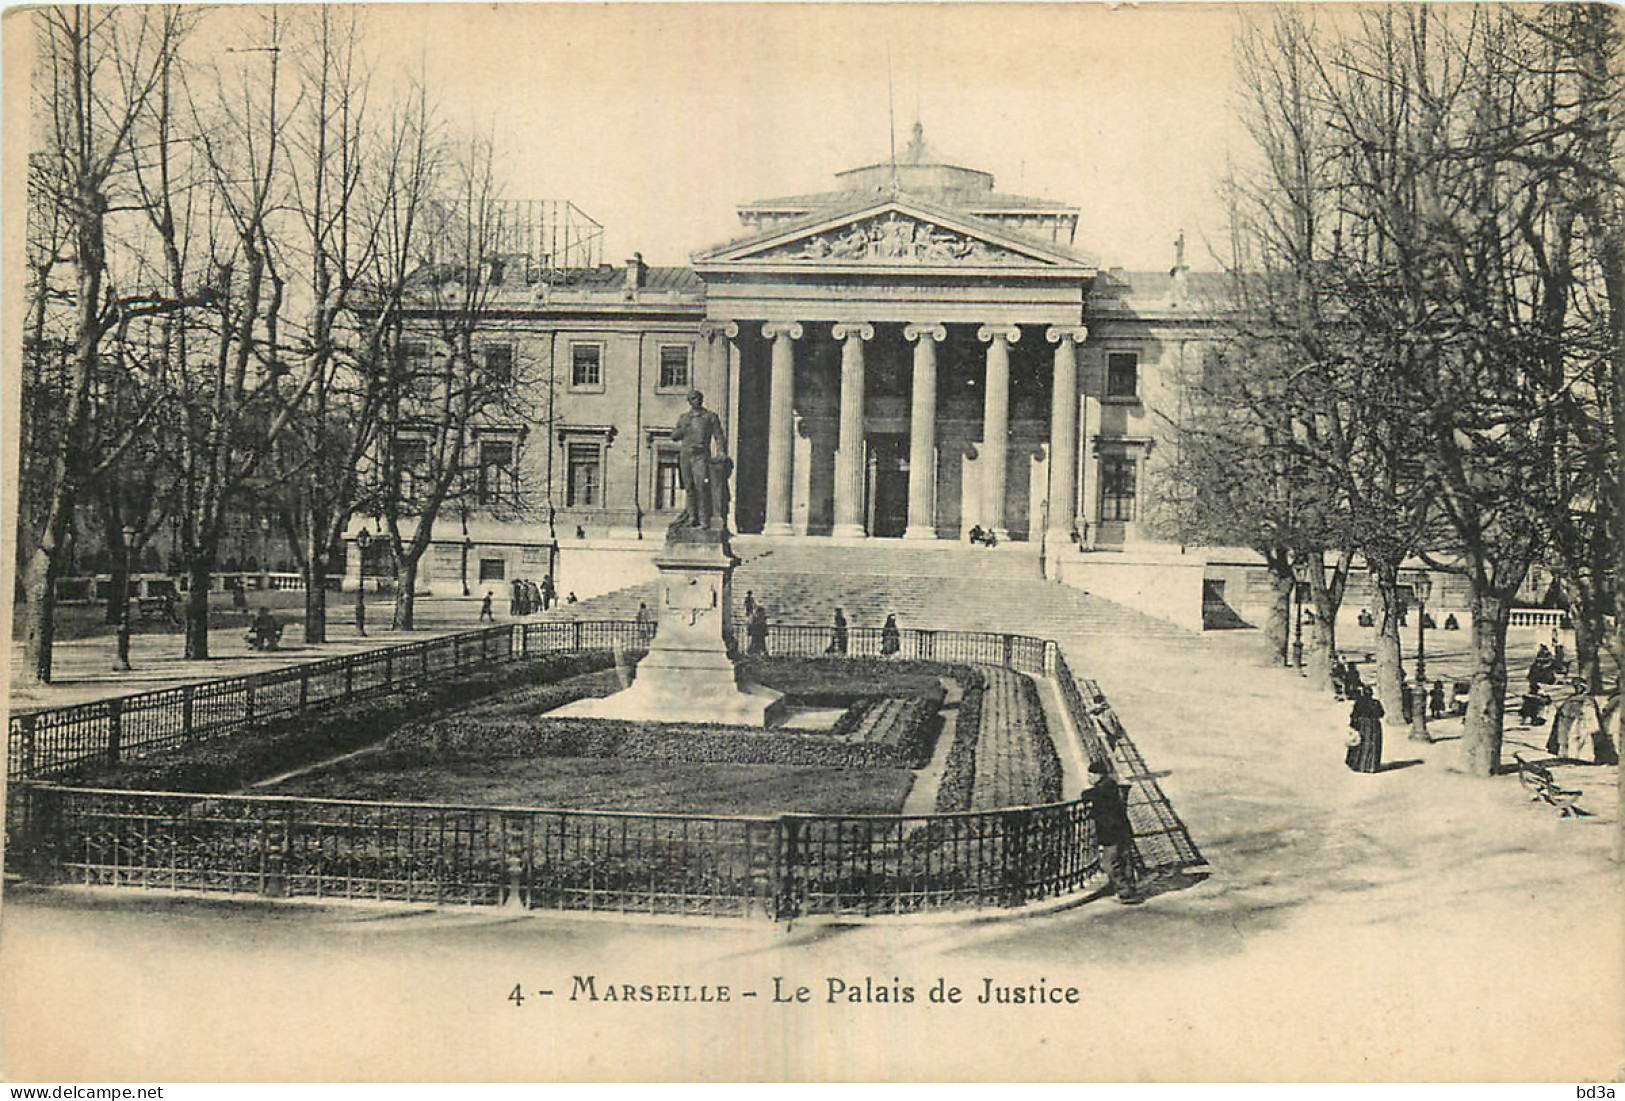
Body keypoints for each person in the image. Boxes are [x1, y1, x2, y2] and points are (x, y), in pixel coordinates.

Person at [1085, 759, 1138, 904]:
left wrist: (1087, 791)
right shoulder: (1110, 784)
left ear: (1097, 775)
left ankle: (1124, 891)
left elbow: (1089, 795)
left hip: (1112, 832)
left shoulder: (1104, 787)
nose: (1089, 778)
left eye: (1090, 775)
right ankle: (1130, 889)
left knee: (1108, 863)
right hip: (1122, 829)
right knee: (1124, 860)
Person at [672, 389, 727, 529]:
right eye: (692, 398)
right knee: (689, 487)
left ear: (701, 400)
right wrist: (682, 429)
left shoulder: (710, 416)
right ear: (689, 401)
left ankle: (704, 520)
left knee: (701, 487)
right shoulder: (684, 418)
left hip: (700, 456)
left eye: (697, 398)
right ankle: (691, 517)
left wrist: (721, 451)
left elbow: (718, 435)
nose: (695, 400)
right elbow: (674, 436)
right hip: (685, 455)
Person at [1346, 686, 1384, 773]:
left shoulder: (1359, 702)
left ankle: (1359, 765)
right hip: (1374, 725)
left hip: (1362, 725)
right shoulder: (1375, 703)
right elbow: (1381, 714)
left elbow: (1354, 715)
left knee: (1361, 744)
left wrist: (1352, 725)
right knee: (1373, 745)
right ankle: (1371, 766)